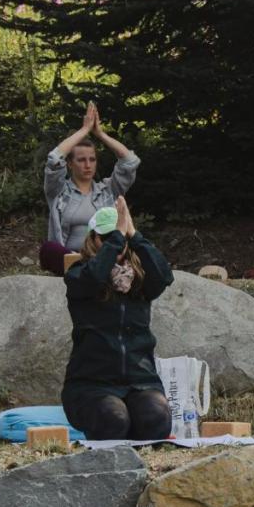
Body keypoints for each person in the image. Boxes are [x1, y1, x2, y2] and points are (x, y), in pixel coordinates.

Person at [61, 197, 175, 441]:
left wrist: (134, 235)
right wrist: (116, 240)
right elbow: (95, 276)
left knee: (157, 420)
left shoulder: (140, 281)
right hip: (91, 384)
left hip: (140, 381)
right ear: (94, 239)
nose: (117, 242)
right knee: (114, 419)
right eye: (108, 237)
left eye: (121, 238)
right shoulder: (79, 274)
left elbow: (165, 276)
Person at [40, 101, 141, 274]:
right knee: (49, 249)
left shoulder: (109, 190)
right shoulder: (58, 191)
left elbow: (130, 162)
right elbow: (54, 160)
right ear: (70, 164)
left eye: (92, 159)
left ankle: (98, 268)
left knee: (136, 248)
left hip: (106, 258)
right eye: (81, 160)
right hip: (72, 260)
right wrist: (84, 131)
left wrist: (100, 133)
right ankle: (87, 268)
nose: (88, 165)